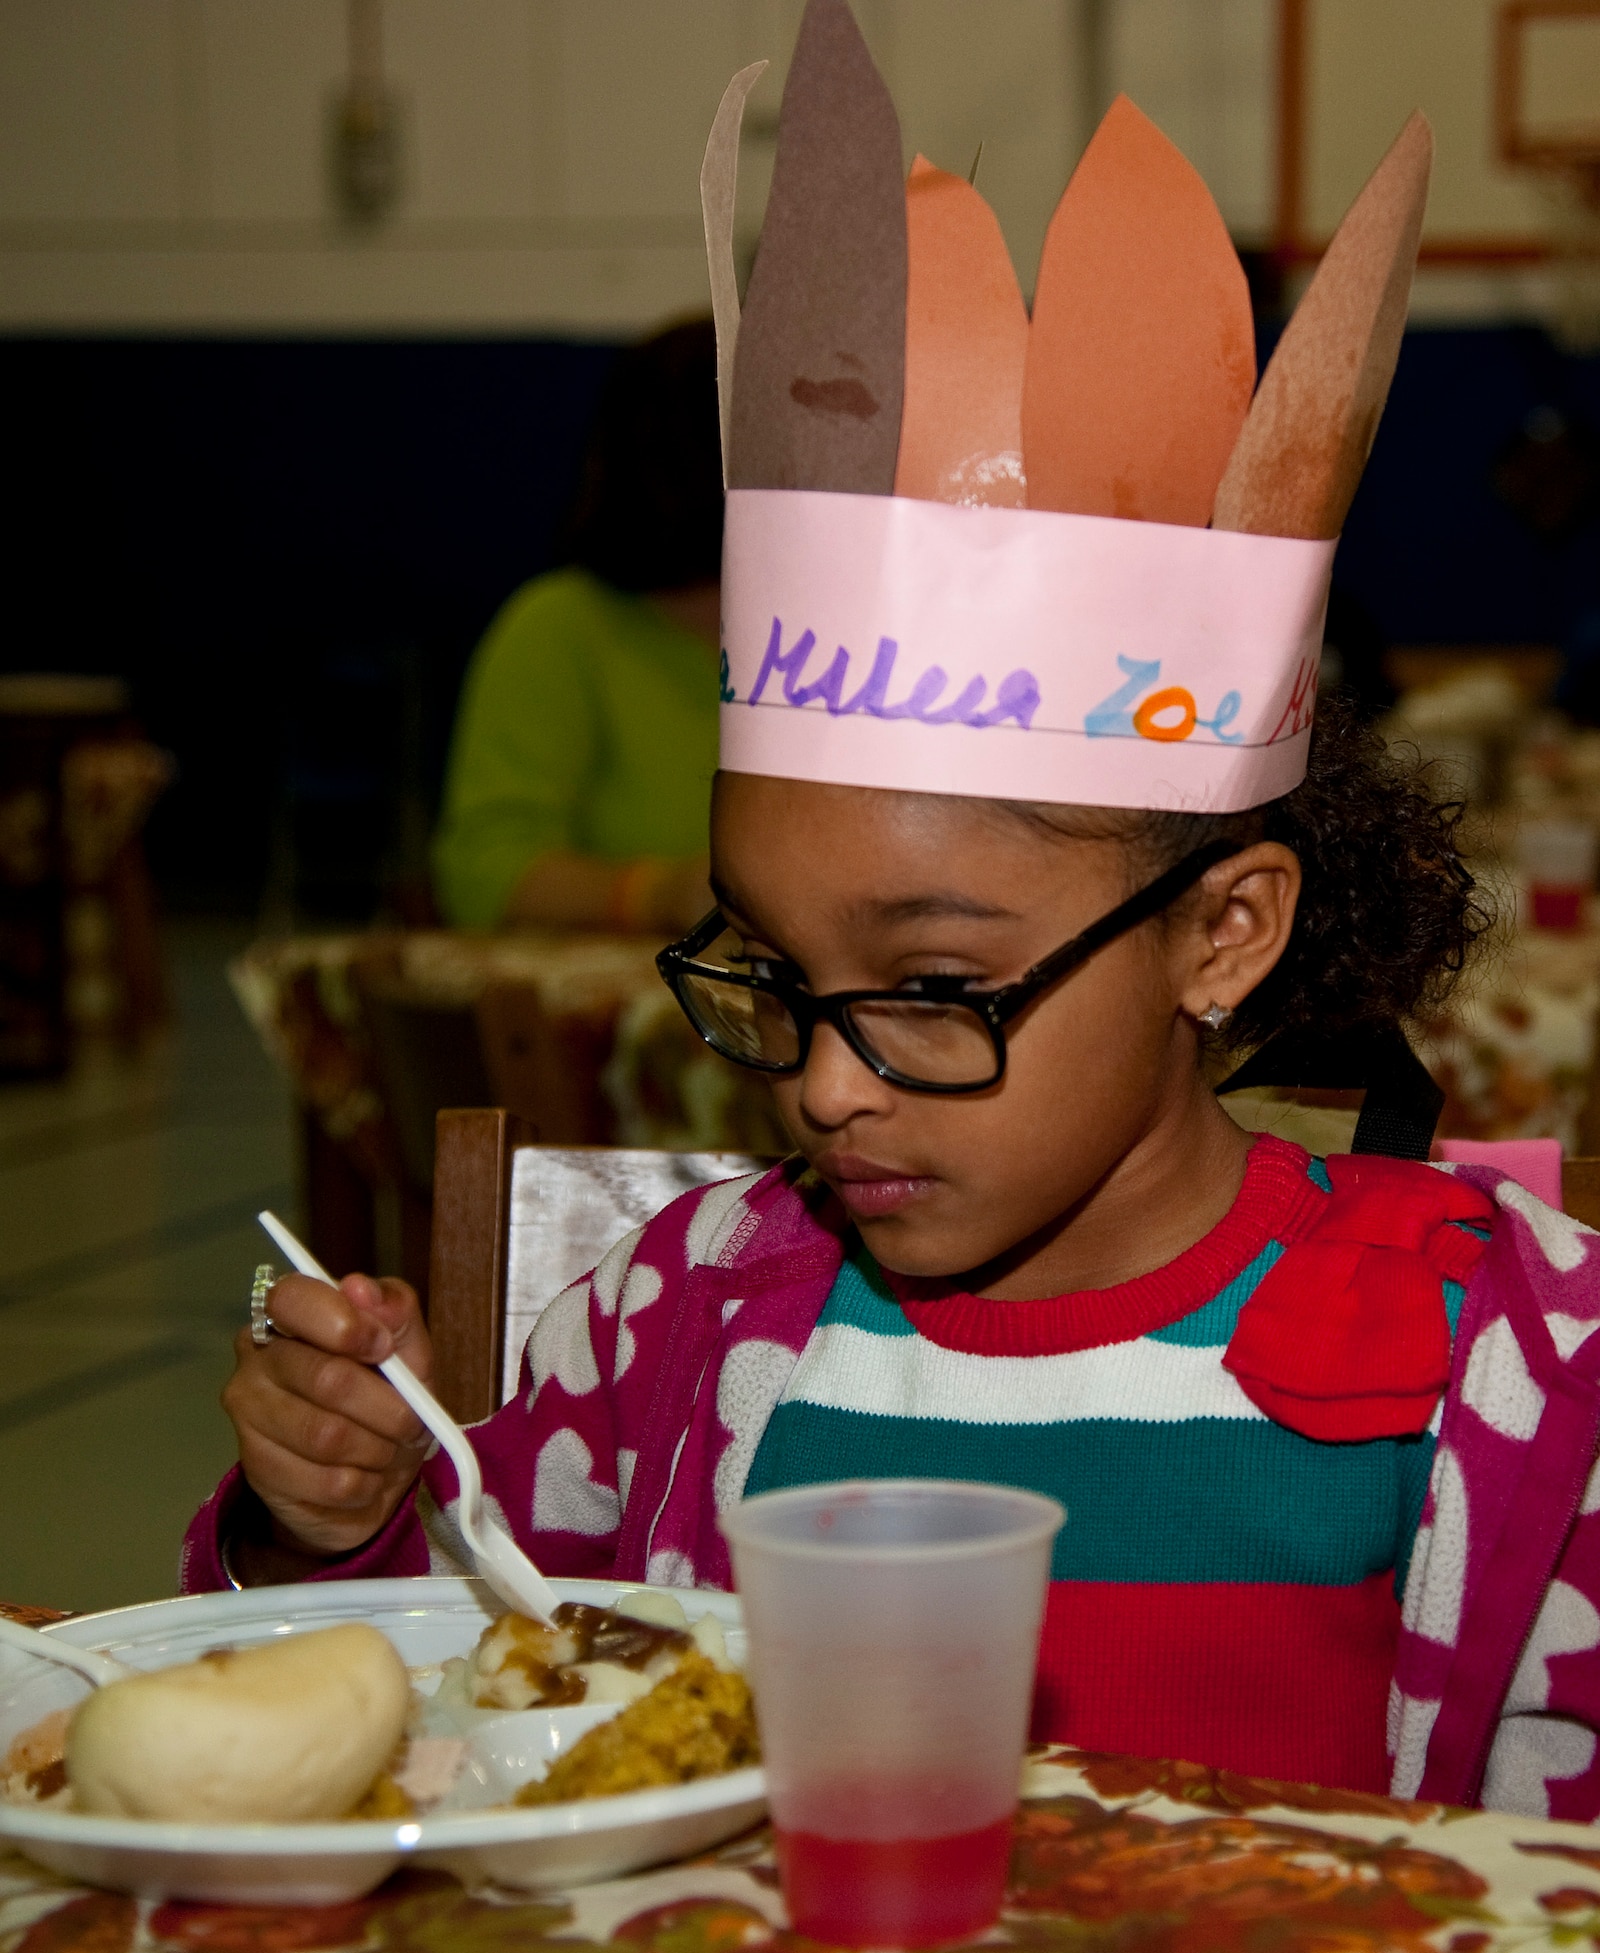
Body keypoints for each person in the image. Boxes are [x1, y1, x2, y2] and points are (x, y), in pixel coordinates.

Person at [189, 5, 1600, 1818]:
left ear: (1225, 931)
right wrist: (329, 1520)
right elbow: (443, 1733)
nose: (824, 1088)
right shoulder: (670, 1336)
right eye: (776, 974)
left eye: (935, 983)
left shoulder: (1506, 1361)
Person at [431, 318, 723, 934]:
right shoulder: (560, 629)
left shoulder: (838, 633)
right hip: (631, 1011)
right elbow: (483, 875)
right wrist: (658, 895)